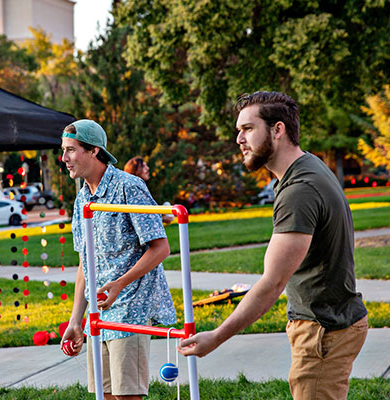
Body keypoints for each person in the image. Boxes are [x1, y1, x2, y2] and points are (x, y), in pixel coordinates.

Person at [178, 91, 368, 399]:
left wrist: (216, 336)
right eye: (238, 130)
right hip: (329, 322)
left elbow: (272, 282)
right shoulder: (305, 168)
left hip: (323, 331)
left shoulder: (299, 190)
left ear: (277, 130)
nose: (239, 139)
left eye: (248, 129)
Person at [60, 119, 176, 400]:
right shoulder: (82, 199)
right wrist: (76, 321)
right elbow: (84, 264)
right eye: (63, 150)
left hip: (130, 307)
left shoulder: (129, 187)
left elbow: (160, 248)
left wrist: (120, 284)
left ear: (94, 151)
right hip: (98, 315)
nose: (64, 159)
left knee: (127, 396)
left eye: (71, 150)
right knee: (104, 394)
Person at [124, 156, 174, 223]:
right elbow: (138, 219)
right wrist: (163, 219)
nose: (147, 168)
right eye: (143, 166)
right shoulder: (133, 189)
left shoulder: (138, 188)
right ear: (135, 170)